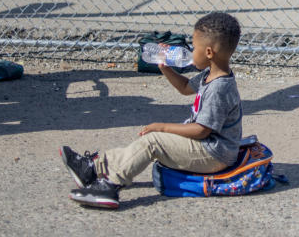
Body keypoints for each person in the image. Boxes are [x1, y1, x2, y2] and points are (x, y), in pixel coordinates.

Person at [60, 12, 243, 208]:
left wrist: (162, 127)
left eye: (194, 47)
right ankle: (93, 169)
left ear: (208, 52)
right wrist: (164, 67)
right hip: (208, 147)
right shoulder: (211, 74)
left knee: (153, 141)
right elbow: (184, 88)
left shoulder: (219, 88)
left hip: (214, 154)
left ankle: (110, 186)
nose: (190, 51)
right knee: (148, 141)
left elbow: (201, 130)